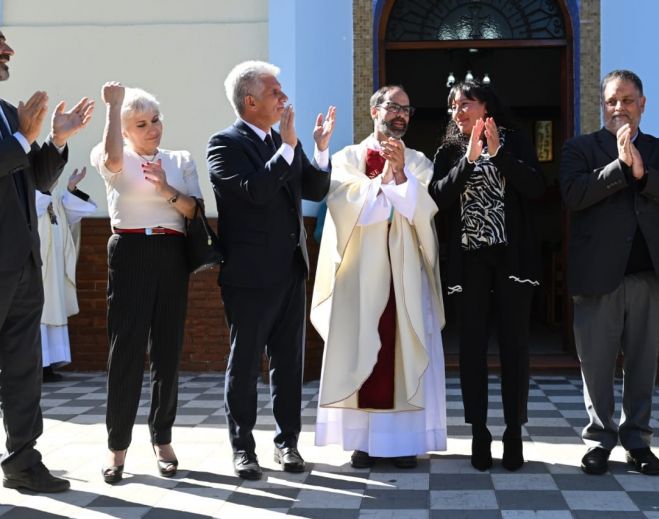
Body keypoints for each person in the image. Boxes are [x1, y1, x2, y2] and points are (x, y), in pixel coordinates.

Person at [560, 70, 659, 476]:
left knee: (642, 365)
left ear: (643, 104)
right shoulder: (579, 149)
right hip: (598, 277)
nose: (619, 107)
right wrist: (619, 168)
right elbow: (574, 195)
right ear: (603, 105)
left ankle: (637, 441)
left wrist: (644, 176)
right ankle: (599, 440)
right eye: (611, 101)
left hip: (650, 277)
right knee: (596, 366)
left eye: (627, 100)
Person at [208, 60, 334, 479]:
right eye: (275, 92)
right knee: (245, 364)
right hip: (249, 275)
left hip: (291, 269)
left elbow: (314, 189)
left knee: (289, 363)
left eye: (282, 91)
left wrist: (317, 148)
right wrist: (287, 147)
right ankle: (243, 448)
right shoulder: (224, 144)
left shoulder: (286, 142)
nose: (284, 98)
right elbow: (256, 192)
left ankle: (288, 444)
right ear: (250, 100)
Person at [312, 85, 446, 468]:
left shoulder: (418, 160)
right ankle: (363, 443)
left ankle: (404, 444)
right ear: (374, 111)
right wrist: (384, 186)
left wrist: (400, 176)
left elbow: (419, 210)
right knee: (363, 350)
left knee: (403, 352)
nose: (400, 114)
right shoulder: (348, 158)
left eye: (406, 109)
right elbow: (346, 208)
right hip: (360, 275)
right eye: (393, 107)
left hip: (405, 273)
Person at [429, 81, 544, 471]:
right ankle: (479, 431)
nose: (458, 110)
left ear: (486, 106)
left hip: (512, 259)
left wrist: (499, 155)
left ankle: (514, 432)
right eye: (453, 105)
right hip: (469, 261)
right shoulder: (448, 150)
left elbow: (536, 188)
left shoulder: (515, 140)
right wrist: (471, 159)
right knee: (472, 349)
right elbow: (438, 198)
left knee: (515, 348)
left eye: (466, 103)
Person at [92, 82, 201, 484]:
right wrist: (114, 106)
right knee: (126, 352)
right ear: (124, 130)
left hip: (172, 254)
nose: (152, 128)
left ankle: (163, 439)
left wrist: (166, 190)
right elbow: (114, 162)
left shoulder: (180, 159)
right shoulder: (111, 153)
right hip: (130, 252)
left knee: (167, 351)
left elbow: (194, 209)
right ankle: (117, 447)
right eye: (140, 123)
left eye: (155, 119)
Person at [0, 30, 94, 493]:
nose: (8, 51)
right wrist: (23, 135)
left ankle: (22, 461)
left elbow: (33, 179)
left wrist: (55, 140)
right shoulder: (13, 122)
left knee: (22, 367)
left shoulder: (5, 112)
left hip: (19, 265)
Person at [36, 167, 97, 382]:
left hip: (54, 271)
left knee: (52, 312)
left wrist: (71, 188)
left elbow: (76, 213)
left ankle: (47, 366)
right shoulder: (28, 196)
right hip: (36, 272)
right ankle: (35, 366)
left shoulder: (55, 197)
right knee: (37, 316)